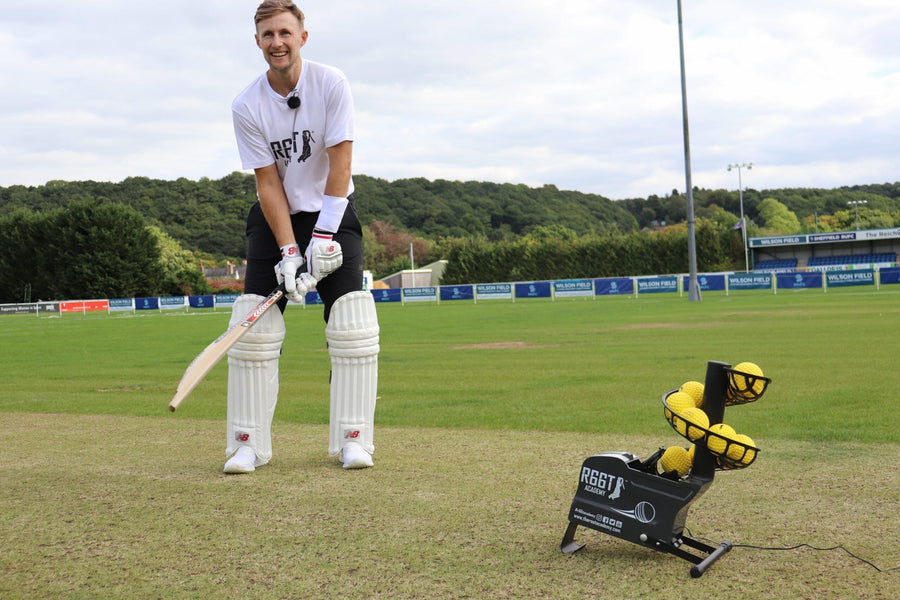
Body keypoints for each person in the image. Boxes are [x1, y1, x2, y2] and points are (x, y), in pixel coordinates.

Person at [224, 0, 379, 473]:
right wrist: (290, 251)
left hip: (332, 210)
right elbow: (268, 183)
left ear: (302, 37)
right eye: (268, 35)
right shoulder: (246, 105)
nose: (277, 42)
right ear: (257, 42)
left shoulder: (331, 83)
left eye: (285, 33)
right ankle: (247, 444)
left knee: (352, 324)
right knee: (254, 326)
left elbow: (341, 162)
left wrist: (324, 237)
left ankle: (354, 440)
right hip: (277, 219)